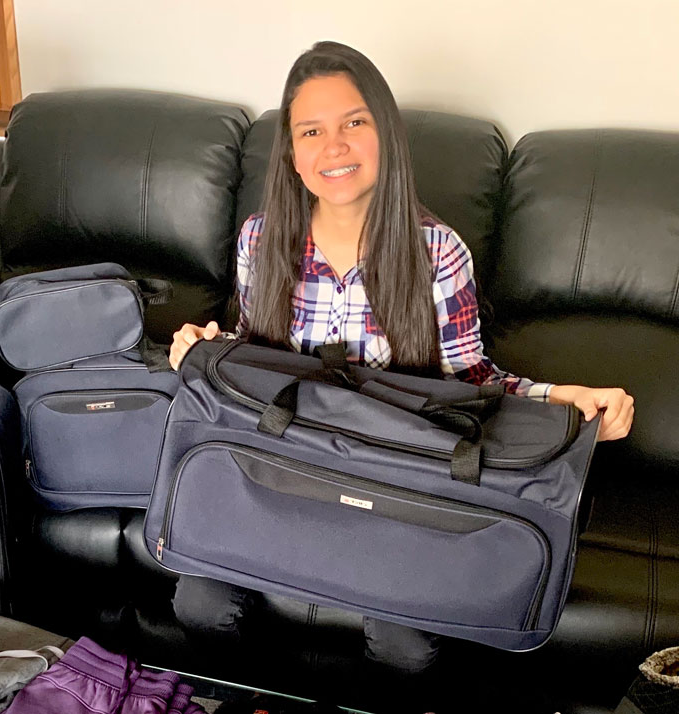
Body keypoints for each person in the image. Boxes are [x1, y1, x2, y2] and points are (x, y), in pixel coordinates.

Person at [167, 41, 635, 710]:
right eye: (311, 130)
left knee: (406, 646)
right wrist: (202, 349)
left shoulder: (438, 253)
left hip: (392, 484)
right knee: (199, 601)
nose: (335, 146)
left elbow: (475, 383)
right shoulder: (258, 239)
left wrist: (562, 399)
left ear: (386, 133)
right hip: (283, 470)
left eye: (354, 122)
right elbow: (251, 354)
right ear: (292, 153)